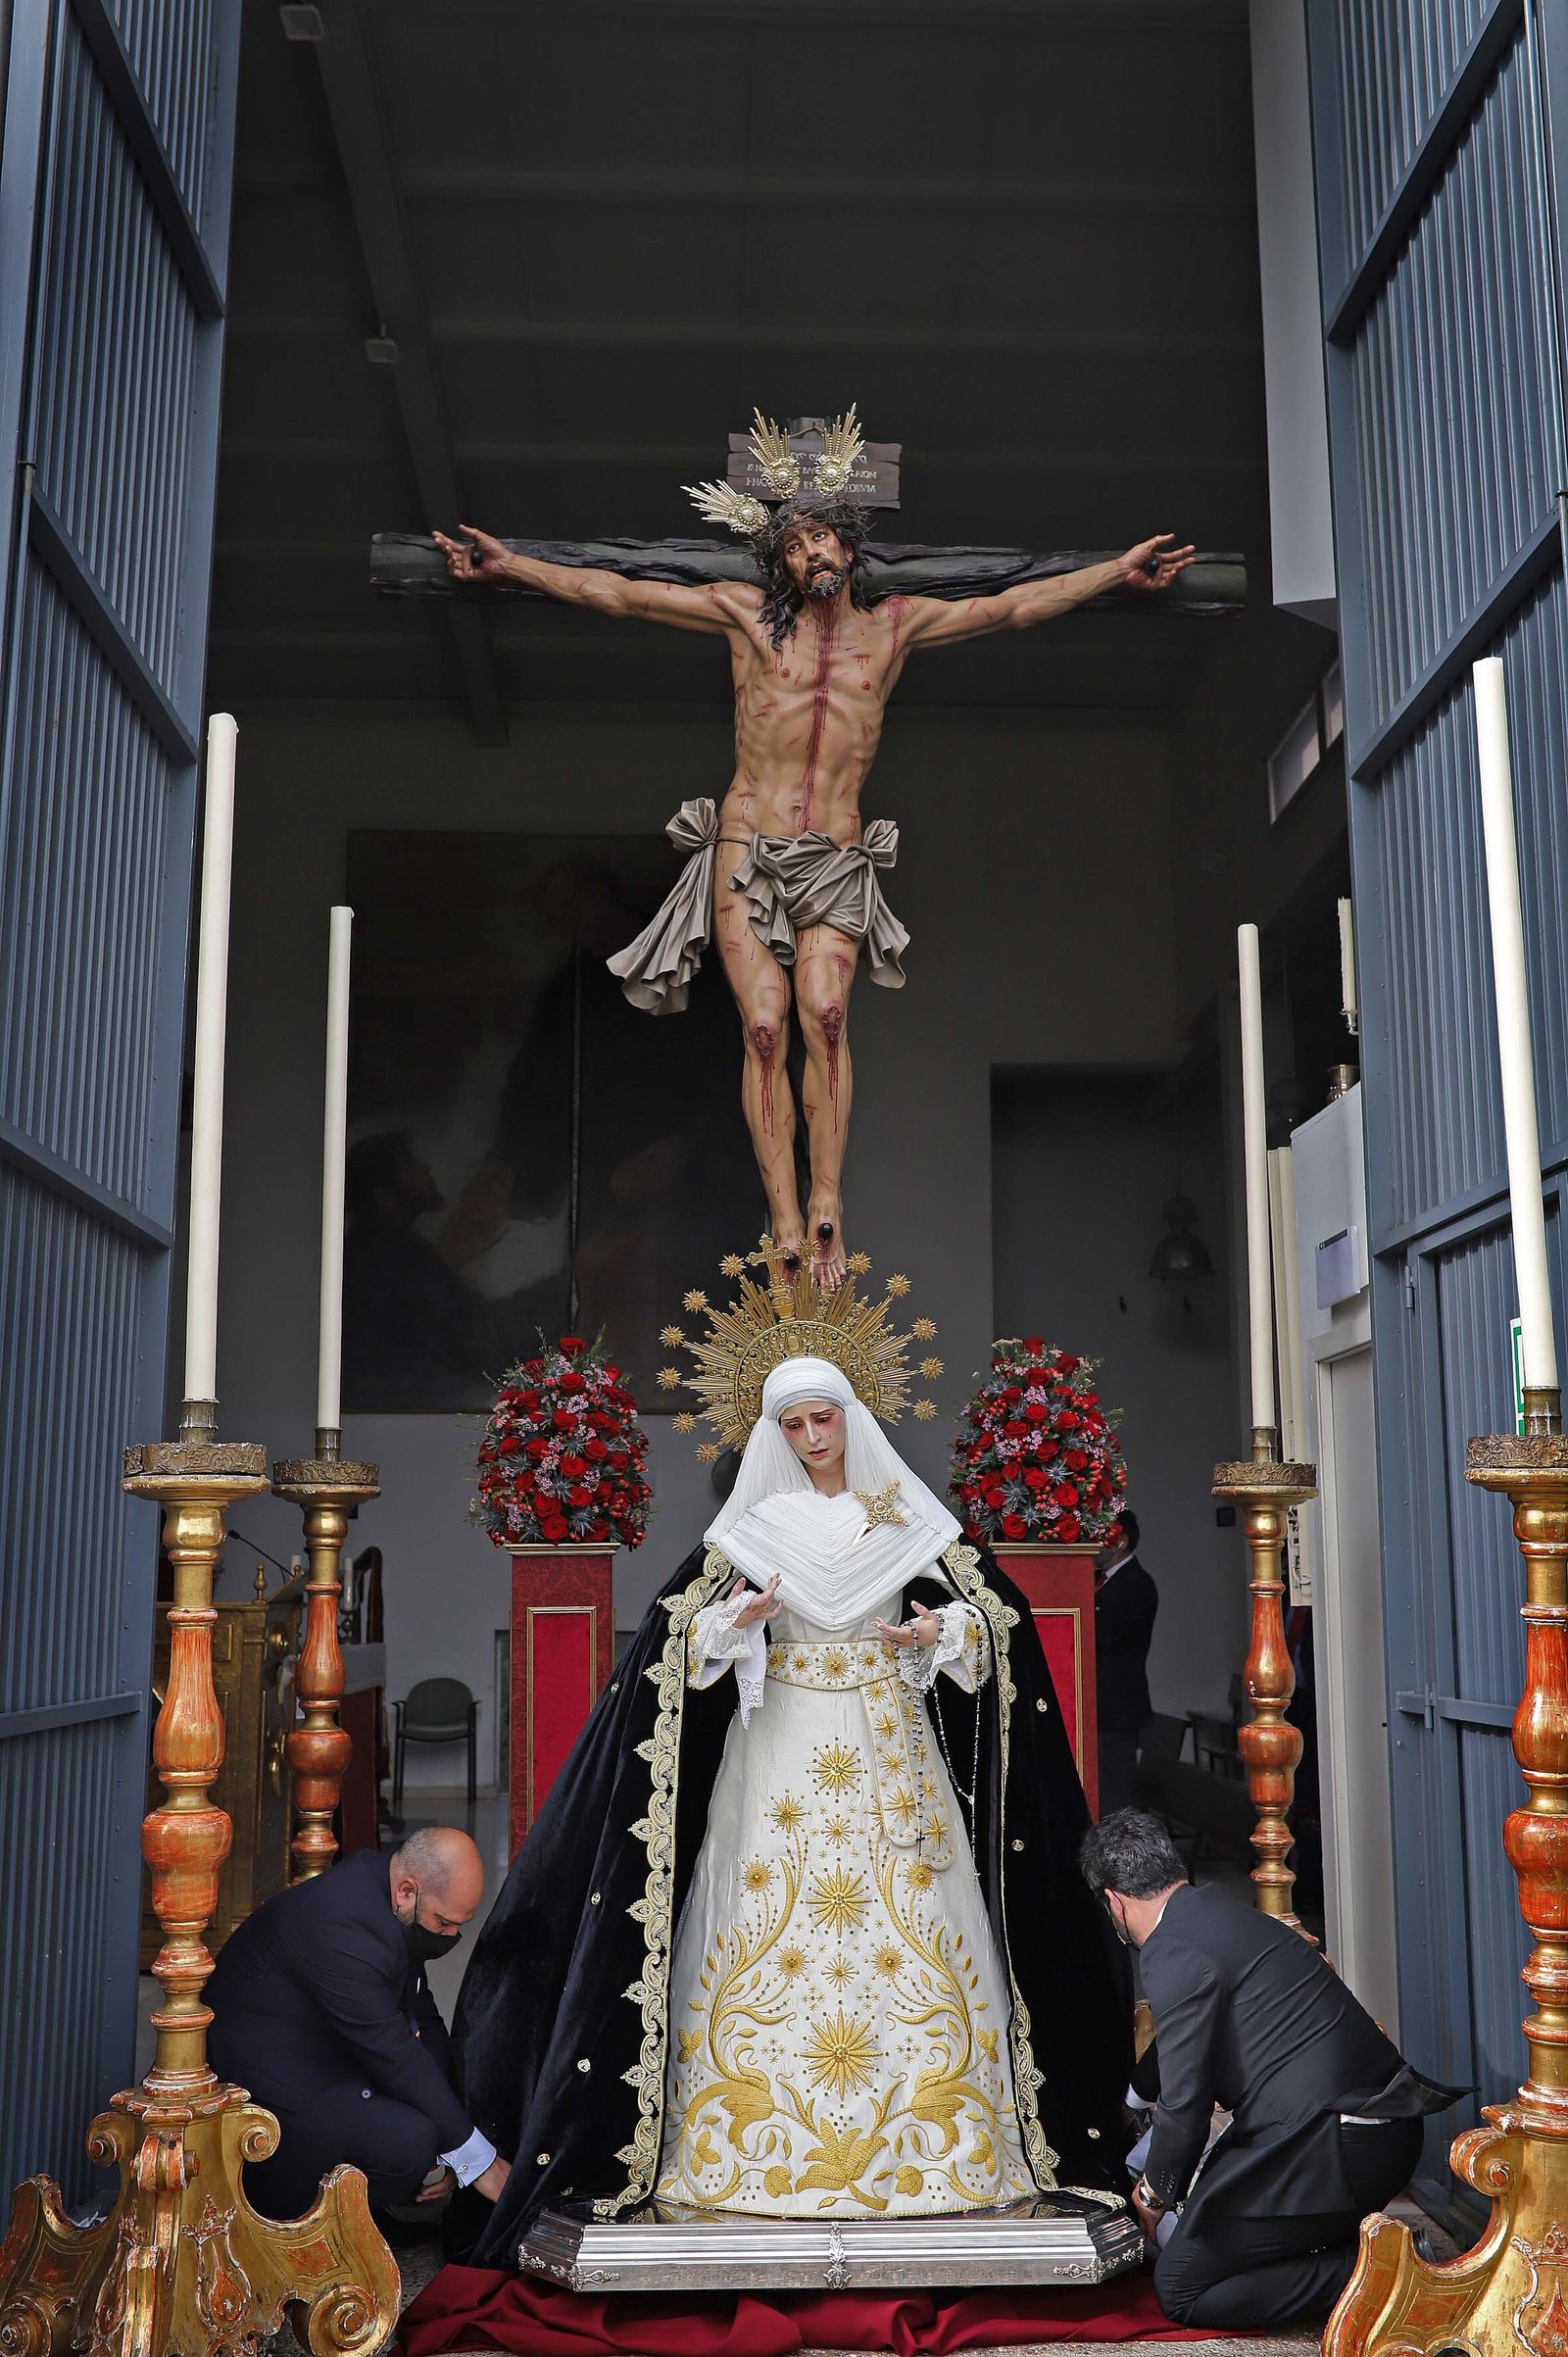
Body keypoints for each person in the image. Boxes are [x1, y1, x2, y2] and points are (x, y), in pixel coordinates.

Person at [432, 409, 1195, 1289]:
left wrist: (1114, 573)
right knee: (763, 1029)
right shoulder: (746, 620)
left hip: (833, 854)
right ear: (781, 565)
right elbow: (625, 594)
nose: (809, 555)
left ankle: (826, 1200)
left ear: (849, 547)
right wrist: (514, 567)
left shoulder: (896, 626)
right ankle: (784, 1218)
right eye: (793, 548)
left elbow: (1013, 605)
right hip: (747, 845)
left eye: (821, 538)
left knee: (825, 1014)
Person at [452, 1352, 1131, 2264]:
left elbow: (993, 1621)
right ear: (774, 1432)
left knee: (914, 1922)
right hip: (778, 1752)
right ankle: (750, 2158)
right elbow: (679, 1637)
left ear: (852, 1414)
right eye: (794, 1424)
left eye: (823, 1418)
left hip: (891, 1749)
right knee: (762, 1917)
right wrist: (737, 1624)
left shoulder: (902, 1514)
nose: (812, 1438)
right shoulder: (757, 1522)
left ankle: (937, 2152)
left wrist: (941, 1630)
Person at [1080, 1809, 1460, 2330]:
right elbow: (1175, 2046)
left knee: (1182, 2285)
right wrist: (1131, 2101)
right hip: (1371, 2135)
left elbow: (1187, 2106)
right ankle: (1372, 2253)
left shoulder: (1170, 1949)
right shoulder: (1219, 1915)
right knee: (1206, 2223)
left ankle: (1395, 2272)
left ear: (1114, 1902)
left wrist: (1153, 2194)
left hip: (1333, 2150)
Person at [206, 1828, 512, 2222]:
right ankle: (319, 2230)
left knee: (433, 2113)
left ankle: (363, 2214)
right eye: (443, 1922)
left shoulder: (389, 1896)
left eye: (459, 1926)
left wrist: (459, 2127)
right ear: (407, 1890)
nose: (451, 1936)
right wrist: (477, 2160)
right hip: (264, 2091)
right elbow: (393, 2052)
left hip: (316, 2056)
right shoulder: (343, 1929)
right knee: (411, 2143)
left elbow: (424, 2018)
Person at [1093, 1509, 1158, 1812]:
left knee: (1114, 1791)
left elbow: (1108, 1636)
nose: (1094, 1544)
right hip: (1099, 1706)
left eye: (1101, 1536)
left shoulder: (1137, 1584)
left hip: (1117, 1707)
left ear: (1121, 1541)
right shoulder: (1100, 1580)